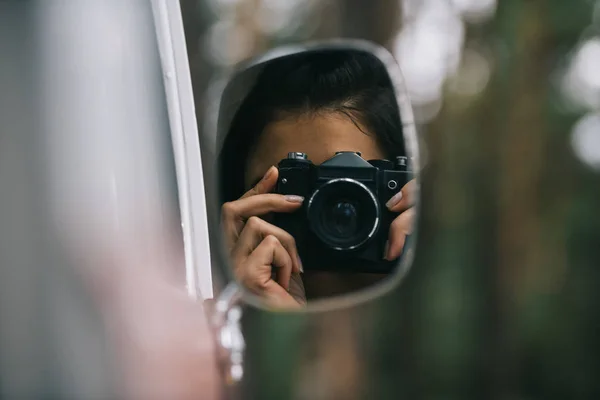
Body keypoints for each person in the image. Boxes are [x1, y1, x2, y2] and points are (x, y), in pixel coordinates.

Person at [219, 50, 416, 308]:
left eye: (352, 186)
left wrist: (419, 270)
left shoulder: (414, 274)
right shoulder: (217, 314)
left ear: (397, 192)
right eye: (285, 189)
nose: (325, 213)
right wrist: (232, 296)